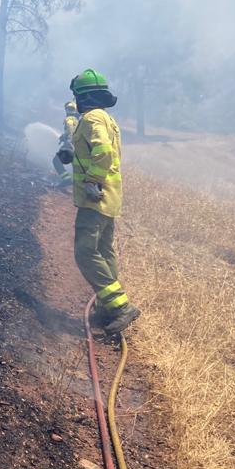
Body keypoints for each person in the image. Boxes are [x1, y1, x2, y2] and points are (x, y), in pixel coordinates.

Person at [66, 69, 140, 334]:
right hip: (109, 198)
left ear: (83, 97)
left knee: (85, 252)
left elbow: (104, 152)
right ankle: (108, 308)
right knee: (104, 251)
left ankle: (121, 307)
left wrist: (91, 181)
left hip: (95, 198)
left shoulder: (92, 118)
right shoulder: (106, 118)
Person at [52, 99, 79, 185]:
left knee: (56, 160)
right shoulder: (77, 119)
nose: (68, 110)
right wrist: (63, 136)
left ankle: (66, 179)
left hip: (70, 145)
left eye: (69, 109)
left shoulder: (69, 119)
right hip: (78, 145)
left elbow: (71, 130)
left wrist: (69, 141)